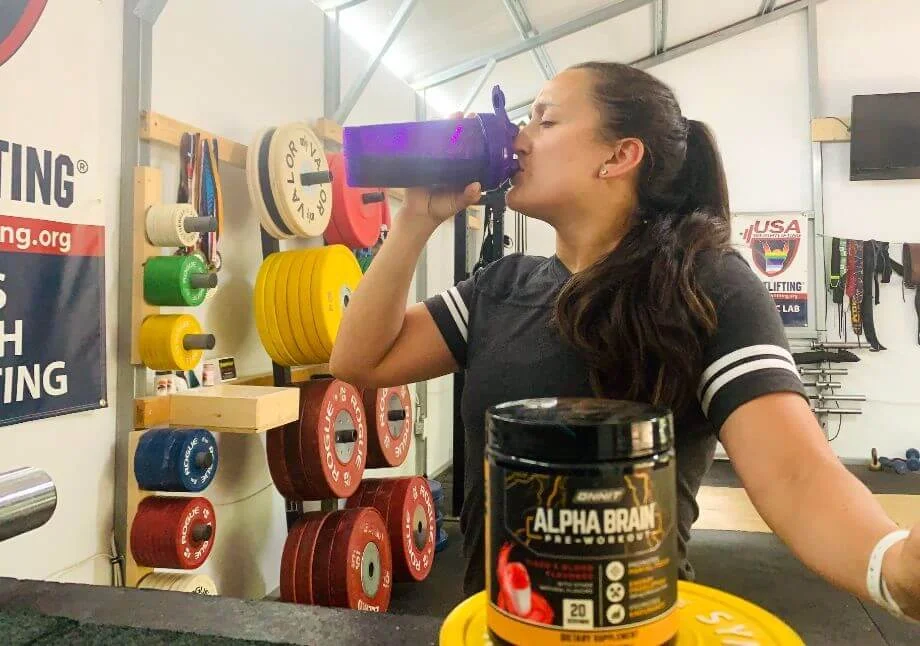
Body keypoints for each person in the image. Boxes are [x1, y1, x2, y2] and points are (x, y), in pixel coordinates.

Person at [330, 61, 920, 622]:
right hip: (496, 624)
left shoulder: (704, 285)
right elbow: (359, 360)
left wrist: (891, 568)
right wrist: (415, 219)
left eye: (544, 120)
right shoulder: (500, 286)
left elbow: (795, 474)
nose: (518, 139)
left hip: (634, 626)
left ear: (619, 156)